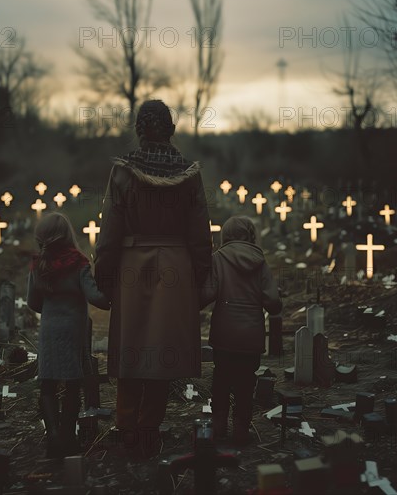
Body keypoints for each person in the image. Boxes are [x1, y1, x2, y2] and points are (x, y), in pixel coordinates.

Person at [95, 99, 211, 459]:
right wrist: (201, 279)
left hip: (132, 266)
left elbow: (110, 231)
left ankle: (126, 428)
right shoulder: (190, 175)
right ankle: (149, 430)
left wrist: (104, 277)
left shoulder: (123, 173)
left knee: (131, 350)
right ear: (171, 129)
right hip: (176, 269)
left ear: (140, 131)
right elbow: (200, 234)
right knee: (162, 354)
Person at [27, 212, 110, 458]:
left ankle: (52, 436)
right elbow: (94, 296)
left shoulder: (38, 264)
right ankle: (68, 436)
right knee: (73, 385)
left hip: (50, 329)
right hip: (73, 330)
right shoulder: (79, 262)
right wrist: (113, 298)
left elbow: (33, 301)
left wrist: (51, 311)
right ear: (67, 234)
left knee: (48, 383)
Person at [200, 215, 282, 445]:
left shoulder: (218, 259)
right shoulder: (260, 262)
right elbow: (273, 302)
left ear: (224, 235)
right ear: (251, 235)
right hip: (251, 335)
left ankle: (218, 427)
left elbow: (206, 294)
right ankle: (241, 430)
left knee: (221, 381)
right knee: (246, 384)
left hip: (224, 333)